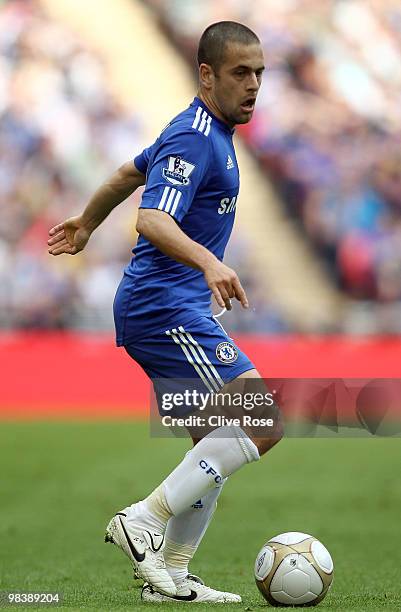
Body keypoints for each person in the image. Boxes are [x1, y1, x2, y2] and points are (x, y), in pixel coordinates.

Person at [48, 21, 282, 604]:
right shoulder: (197, 137)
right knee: (262, 418)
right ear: (206, 74)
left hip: (159, 304)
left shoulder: (205, 130)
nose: (253, 84)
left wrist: (85, 221)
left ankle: (171, 576)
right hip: (163, 306)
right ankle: (142, 522)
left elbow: (129, 173)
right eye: (239, 73)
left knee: (212, 439)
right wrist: (211, 264)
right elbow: (151, 218)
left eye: (259, 73)